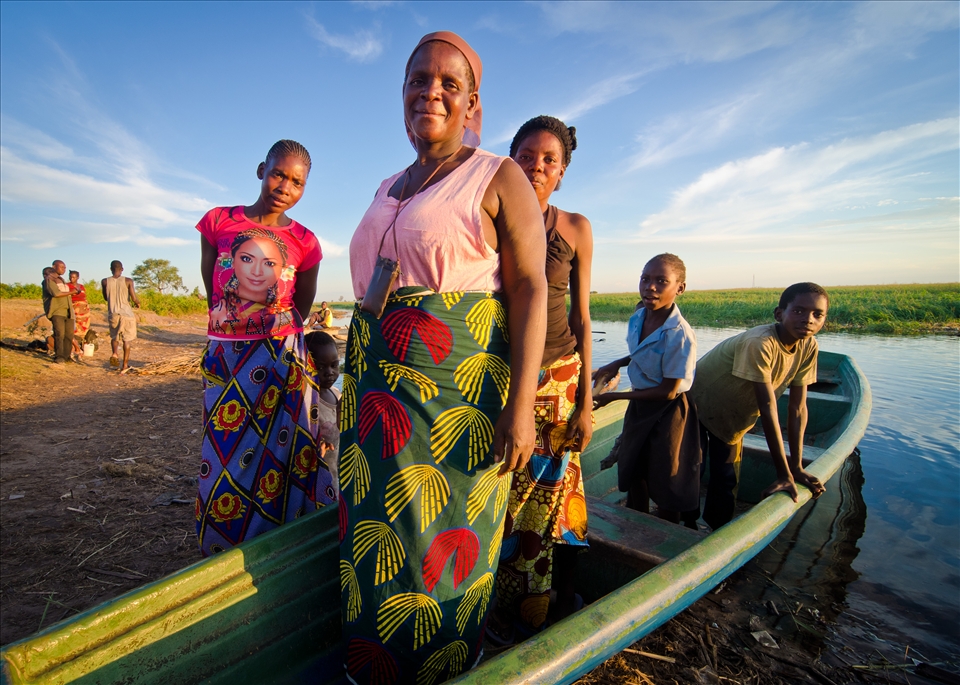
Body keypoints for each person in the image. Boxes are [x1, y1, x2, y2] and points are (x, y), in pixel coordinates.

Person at [340, 31, 547, 684]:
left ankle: (445, 668)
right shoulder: (387, 185)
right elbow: (380, 280)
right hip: (376, 389)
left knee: (442, 533)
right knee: (371, 533)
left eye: (447, 83)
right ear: (401, 94)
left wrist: (521, 407)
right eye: (418, 79)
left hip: (454, 392)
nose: (430, 90)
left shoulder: (497, 175)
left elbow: (529, 287)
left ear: (471, 104)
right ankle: (370, 666)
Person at [195, 139, 336, 558]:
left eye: (297, 182)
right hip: (227, 355)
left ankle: (284, 538)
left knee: (285, 450)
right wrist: (231, 323)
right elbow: (211, 281)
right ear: (261, 170)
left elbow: (303, 298)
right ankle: (225, 544)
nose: (285, 186)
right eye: (279, 174)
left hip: (281, 356)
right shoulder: (218, 221)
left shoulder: (305, 240)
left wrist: (279, 331)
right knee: (223, 449)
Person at [492, 115, 594, 640]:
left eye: (548, 159)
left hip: (560, 378)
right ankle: (491, 605)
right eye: (526, 156)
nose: (535, 166)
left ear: (562, 172)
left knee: (545, 502)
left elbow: (582, 317)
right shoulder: (492, 218)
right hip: (505, 377)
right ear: (509, 163)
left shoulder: (574, 227)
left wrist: (587, 403)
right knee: (501, 496)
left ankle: (533, 612)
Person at [689, 282, 829, 530]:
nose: (808, 320)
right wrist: (783, 473)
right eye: (798, 311)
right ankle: (683, 525)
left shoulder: (809, 346)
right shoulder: (760, 342)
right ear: (779, 314)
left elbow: (797, 409)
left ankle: (717, 531)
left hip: (733, 418)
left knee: (726, 478)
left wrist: (795, 468)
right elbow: (768, 408)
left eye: (817, 314)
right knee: (690, 471)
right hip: (696, 404)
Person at [592, 255, 701, 528]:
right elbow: (642, 353)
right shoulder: (638, 317)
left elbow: (667, 390)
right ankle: (636, 523)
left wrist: (612, 397)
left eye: (661, 281)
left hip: (669, 411)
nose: (650, 287)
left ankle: (666, 533)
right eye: (646, 279)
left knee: (667, 477)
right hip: (640, 404)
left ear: (680, 288)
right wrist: (619, 362)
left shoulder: (679, 333)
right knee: (633, 467)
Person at [304, 330, 341, 496]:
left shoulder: (336, 394)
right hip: (317, 482)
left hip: (338, 477)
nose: (329, 372)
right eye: (320, 367)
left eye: (334, 365)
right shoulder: (307, 401)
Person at [101, 261, 140, 373]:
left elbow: (105, 297)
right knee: (126, 340)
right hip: (127, 314)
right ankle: (125, 365)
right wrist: (138, 303)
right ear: (122, 269)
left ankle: (115, 353)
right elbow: (134, 298)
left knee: (114, 337)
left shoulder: (105, 281)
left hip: (113, 314)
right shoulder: (128, 281)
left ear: (110, 269)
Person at [44, 260, 76, 364]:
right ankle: (59, 357)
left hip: (68, 311)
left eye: (65, 267)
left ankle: (67, 357)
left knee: (69, 335)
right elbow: (56, 294)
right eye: (61, 267)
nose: (64, 269)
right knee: (59, 334)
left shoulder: (61, 280)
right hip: (57, 311)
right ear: (54, 267)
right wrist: (73, 292)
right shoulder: (49, 280)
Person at [69, 271, 91, 356]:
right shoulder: (67, 286)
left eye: (74, 277)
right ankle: (74, 347)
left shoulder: (81, 286)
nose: (72, 279)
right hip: (74, 308)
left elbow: (84, 297)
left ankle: (80, 345)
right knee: (73, 327)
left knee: (83, 327)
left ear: (77, 277)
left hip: (83, 311)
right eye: (70, 277)